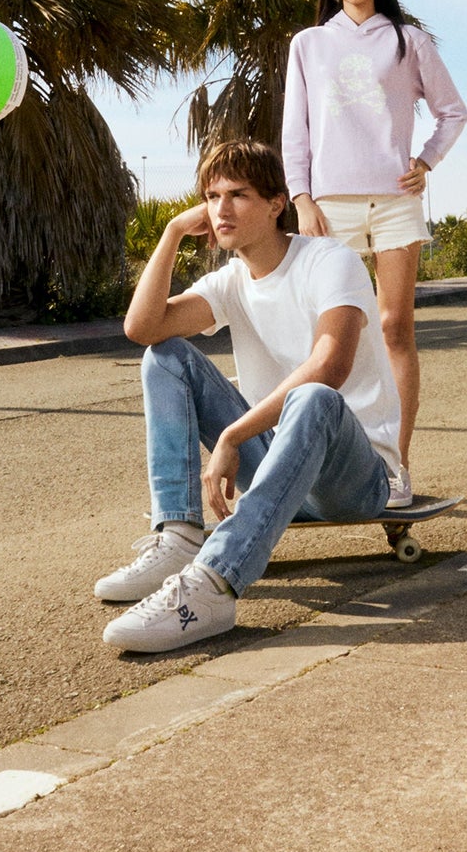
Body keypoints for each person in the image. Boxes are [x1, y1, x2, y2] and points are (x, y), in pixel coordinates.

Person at [96, 138, 402, 653]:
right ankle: (180, 535)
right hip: (278, 462)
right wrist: (171, 233)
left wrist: (234, 435)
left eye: (237, 194)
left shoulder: (331, 261)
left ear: (277, 203)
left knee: (313, 398)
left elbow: (329, 366)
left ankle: (214, 587)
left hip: (355, 475)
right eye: (211, 197)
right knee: (165, 356)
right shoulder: (231, 281)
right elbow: (142, 327)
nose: (220, 209)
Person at [283, 0, 466, 484]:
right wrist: (300, 197)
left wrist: (427, 161)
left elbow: (452, 112)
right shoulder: (308, 44)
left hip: (394, 203)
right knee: (328, 337)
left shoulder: (410, 42)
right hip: (328, 207)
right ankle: (316, 464)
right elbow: (297, 128)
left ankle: (395, 465)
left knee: (393, 328)